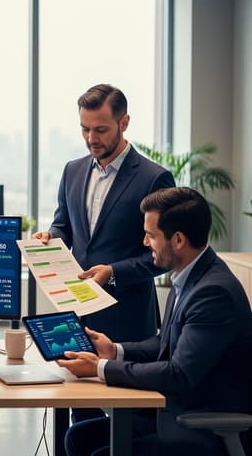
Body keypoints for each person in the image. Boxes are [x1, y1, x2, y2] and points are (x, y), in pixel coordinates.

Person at [58, 187, 252, 456]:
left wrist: (101, 368)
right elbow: (166, 342)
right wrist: (116, 350)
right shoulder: (189, 276)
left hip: (203, 427)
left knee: (99, 451)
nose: (145, 243)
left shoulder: (213, 293)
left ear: (178, 240)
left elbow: (178, 375)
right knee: (80, 437)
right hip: (176, 412)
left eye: (151, 235)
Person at [33, 83, 175, 343]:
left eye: (100, 130)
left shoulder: (154, 178)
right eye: (84, 129)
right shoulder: (71, 171)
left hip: (127, 322)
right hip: (75, 315)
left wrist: (113, 272)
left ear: (124, 123)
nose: (91, 139)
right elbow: (63, 226)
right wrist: (49, 237)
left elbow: (162, 257)